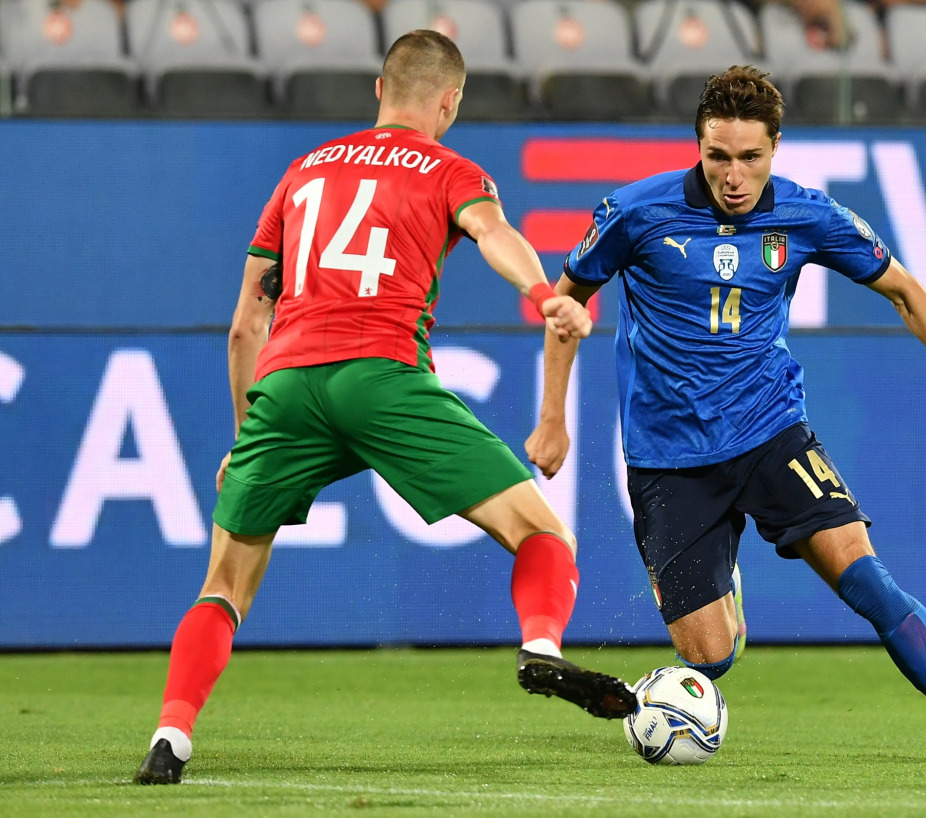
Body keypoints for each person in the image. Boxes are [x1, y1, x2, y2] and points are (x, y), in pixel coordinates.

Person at [134, 29, 637, 786]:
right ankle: (541, 645)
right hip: (382, 376)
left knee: (224, 584)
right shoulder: (449, 168)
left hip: (289, 387)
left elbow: (245, 321)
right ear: (450, 102)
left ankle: (170, 735)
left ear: (378, 89)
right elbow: (493, 232)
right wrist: (542, 298)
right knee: (540, 532)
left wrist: (245, 437)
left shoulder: (302, 172)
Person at [526, 65, 926, 765]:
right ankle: (722, 602)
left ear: (775, 148)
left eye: (750, 158)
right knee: (708, 658)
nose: (733, 175)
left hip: (771, 432)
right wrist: (553, 416)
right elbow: (566, 304)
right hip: (668, 459)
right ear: (698, 146)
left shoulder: (807, 215)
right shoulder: (634, 213)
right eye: (718, 157)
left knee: (862, 574)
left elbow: (904, 289)